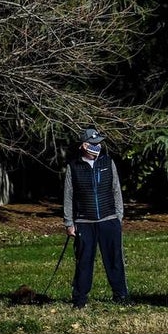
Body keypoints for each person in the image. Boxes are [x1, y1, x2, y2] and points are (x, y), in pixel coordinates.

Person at [62, 127, 129, 308]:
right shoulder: (73, 167)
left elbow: (116, 190)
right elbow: (68, 196)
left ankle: (121, 295)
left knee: (115, 259)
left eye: (99, 143)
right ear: (84, 145)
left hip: (109, 220)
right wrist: (69, 223)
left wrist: (118, 216)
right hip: (84, 222)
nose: (98, 146)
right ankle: (80, 299)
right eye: (94, 144)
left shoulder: (108, 162)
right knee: (84, 262)